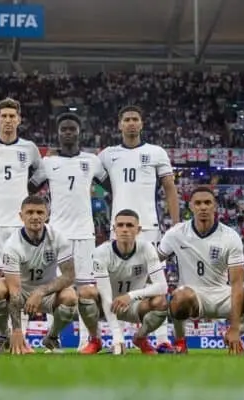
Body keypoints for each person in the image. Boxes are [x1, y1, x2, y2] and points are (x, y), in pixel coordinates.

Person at [158, 186, 244, 354]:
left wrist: (236, 327)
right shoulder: (175, 234)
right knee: (180, 297)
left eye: (207, 203)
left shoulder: (230, 236)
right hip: (192, 297)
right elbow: (154, 262)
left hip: (223, 295)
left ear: (215, 206)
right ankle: (180, 342)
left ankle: (231, 334)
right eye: (198, 203)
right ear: (191, 206)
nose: (203, 207)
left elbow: (237, 283)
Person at [97, 105, 179, 352]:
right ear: (119, 124)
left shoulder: (156, 152)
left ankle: (161, 338)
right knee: (114, 283)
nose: (131, 123)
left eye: (135, 119)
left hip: (149, 226)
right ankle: (117, 339)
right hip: (118, 227)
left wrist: (175, 226)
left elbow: (169, 188)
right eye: (127, 120)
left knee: (154, 281)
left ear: (141, 124)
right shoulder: (107, 155)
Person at [29, 112, 107, 350]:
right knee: (57, 289)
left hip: (84, 234)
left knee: (84, 291)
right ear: (58, 133)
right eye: (64, 129)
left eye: (72, 128)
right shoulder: (48, 163)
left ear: (79, 132)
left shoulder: (92, 161)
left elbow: (110, 185)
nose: (68, 133)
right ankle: (54, 341)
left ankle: (87, 341)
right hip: (56, 235)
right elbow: (29, 187)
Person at [0, 98, 43, 352]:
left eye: (12, 116)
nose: (7, 120)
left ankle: (20, 335)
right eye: (3, 116)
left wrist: (26, 194)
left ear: (19, 119)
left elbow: (41, 174)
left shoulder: (30, 148)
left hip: (19, 225)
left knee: (21, 280)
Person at [0, 195, 77, 354]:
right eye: (29, 212)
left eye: (39, 212)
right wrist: (17, 331)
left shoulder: (58, 238)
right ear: (21, 216)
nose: (35, 216)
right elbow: (14, 289)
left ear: (47, 215)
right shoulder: (12, 245)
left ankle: (52, 337)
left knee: (70, 297)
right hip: (20, 291)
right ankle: (4, 335)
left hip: (47, 292)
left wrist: (40, 291)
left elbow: (69, 276)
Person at [82, 209, 169, 355]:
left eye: (129, 225)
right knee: (85, 292)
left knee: (161, 302)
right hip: (106, 304)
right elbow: (105, 296)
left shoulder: (147, 248)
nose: (124, 229)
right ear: (114, 229)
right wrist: (117, 336)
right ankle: (95, 340)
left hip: (133, 305)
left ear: (138, 230)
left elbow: (162, 287)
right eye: (120, 225)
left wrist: (130, 295)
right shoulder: (101, 252)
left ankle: (140, 338)